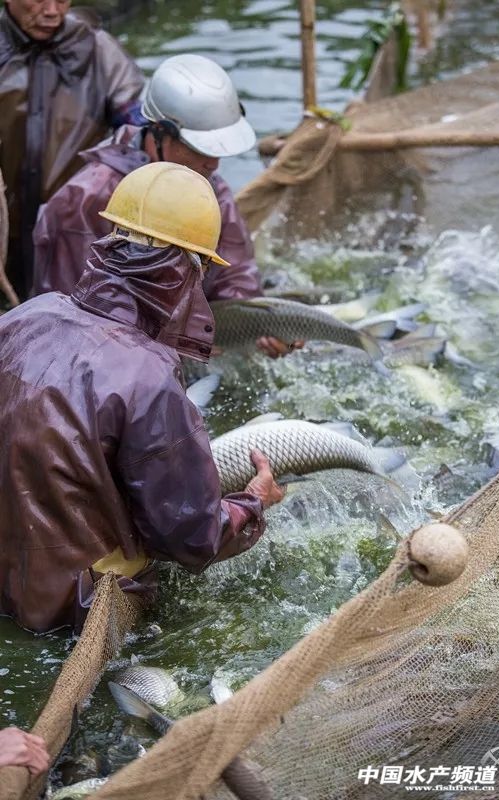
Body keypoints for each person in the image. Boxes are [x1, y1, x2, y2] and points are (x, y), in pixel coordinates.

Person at [0, 162, 284, 634]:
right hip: (70, 613)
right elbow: (191, 535)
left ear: (111, 241)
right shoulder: (147, 377)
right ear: (183, 272)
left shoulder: (25, 317)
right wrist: (254, 503)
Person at [32, 54, 303, 358]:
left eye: (218, 150)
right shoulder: (86, 199)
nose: (213, 163)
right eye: (200, 148)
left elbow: (234, 278)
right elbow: (68, 317)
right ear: (160, 132)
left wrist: (257, 329)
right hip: (101, 354)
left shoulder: (209, 188)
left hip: (182, 345)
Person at [0, 0, 145, 299]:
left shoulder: (97, 49)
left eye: (62, 0)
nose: (52, 11)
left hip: (73, 229)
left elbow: (137, 128)